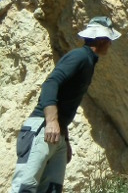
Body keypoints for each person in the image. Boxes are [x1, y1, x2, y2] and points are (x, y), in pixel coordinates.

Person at [9, 16, 121, 193]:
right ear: (100, 39)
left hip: (56, 134)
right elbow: (51, 83)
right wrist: (52, 122)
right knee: (25, 187)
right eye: (108, 39)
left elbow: (65, 102)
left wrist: (65, 139)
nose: (110, 44)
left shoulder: (88, 61)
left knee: (52, 189)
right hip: (42, 127)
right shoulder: (79, 56)